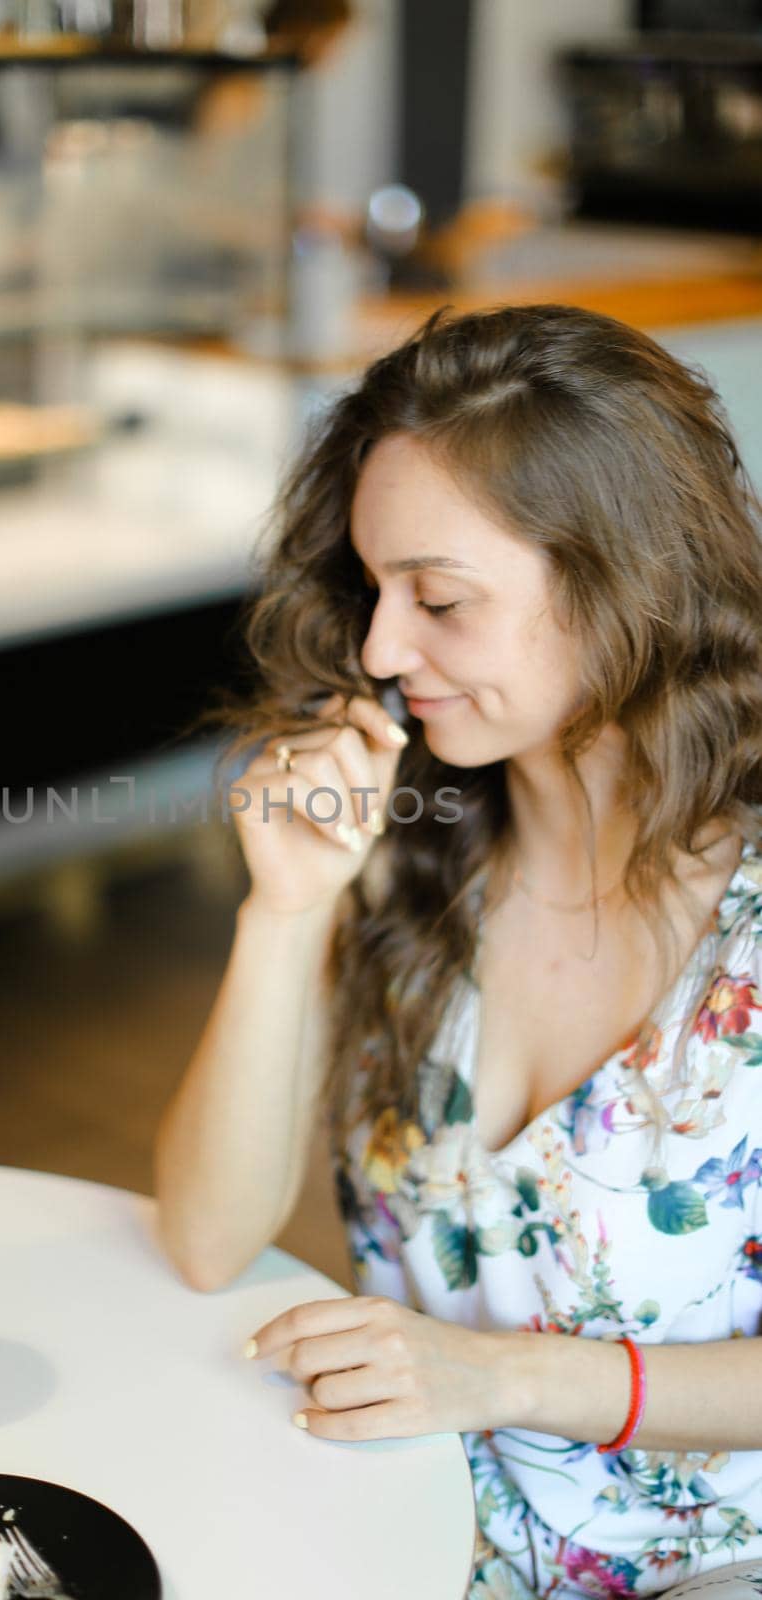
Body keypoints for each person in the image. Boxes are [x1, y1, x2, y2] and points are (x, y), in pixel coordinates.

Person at [153, 302, 762, 1599]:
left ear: (622, 582)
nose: (380, 651)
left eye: (437, 599)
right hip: (391, 1524)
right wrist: (286, 910)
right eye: (375, 592)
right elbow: (208, 1241)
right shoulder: (404, 845)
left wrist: (502, 1374)